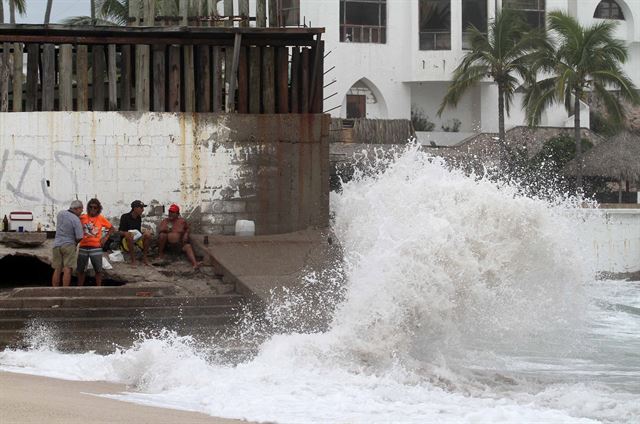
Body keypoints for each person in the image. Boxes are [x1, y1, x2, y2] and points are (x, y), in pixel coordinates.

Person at [77, 198, 114, 287]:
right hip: (83, 247)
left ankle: (98, 288)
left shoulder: (101, 218)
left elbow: (112, 228)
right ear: (88, 208)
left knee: (98, 270)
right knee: (81, 270)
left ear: (98, 208)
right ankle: (79, 288)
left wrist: (105, 238)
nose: (93, 209)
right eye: (91, 207)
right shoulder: (82, 217)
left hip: (96, 247)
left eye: (95, 207)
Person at [51, 200, 84, 287]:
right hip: (69, 245)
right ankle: (65, 290)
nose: (81, 212)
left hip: (57, 244)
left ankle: (55, 290)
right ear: (77, 208)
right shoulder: (76, 219)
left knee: (57, 269)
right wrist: (75, 244)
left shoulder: (60, 214)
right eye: (81, 210)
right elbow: (80, 236)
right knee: (67, 269)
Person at [157, 204, 201, 269]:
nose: (170, 214)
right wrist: (167, 229)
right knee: (162, 235)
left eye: (172, 212)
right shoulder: (165, 221)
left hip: (179, 245)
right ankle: (160, 254)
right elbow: (160, 230)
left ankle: (195, 264)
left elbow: (187, 228)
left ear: (177, 214)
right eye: (169, 212)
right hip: (168, 245)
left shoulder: (182, 221)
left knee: (188, 246)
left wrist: (186, 234)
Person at [118, 200, 152, 265]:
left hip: (136, 239)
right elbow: (120, 232)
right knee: (130, 235)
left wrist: (144, 232)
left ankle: (145, 258)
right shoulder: (125, 217)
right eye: (141, 208)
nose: (143, 210)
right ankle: (133, 260)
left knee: (148, 234)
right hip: (126, 239)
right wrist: (126, 233)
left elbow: (138, 231)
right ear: (135, 208)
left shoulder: (138, 218)